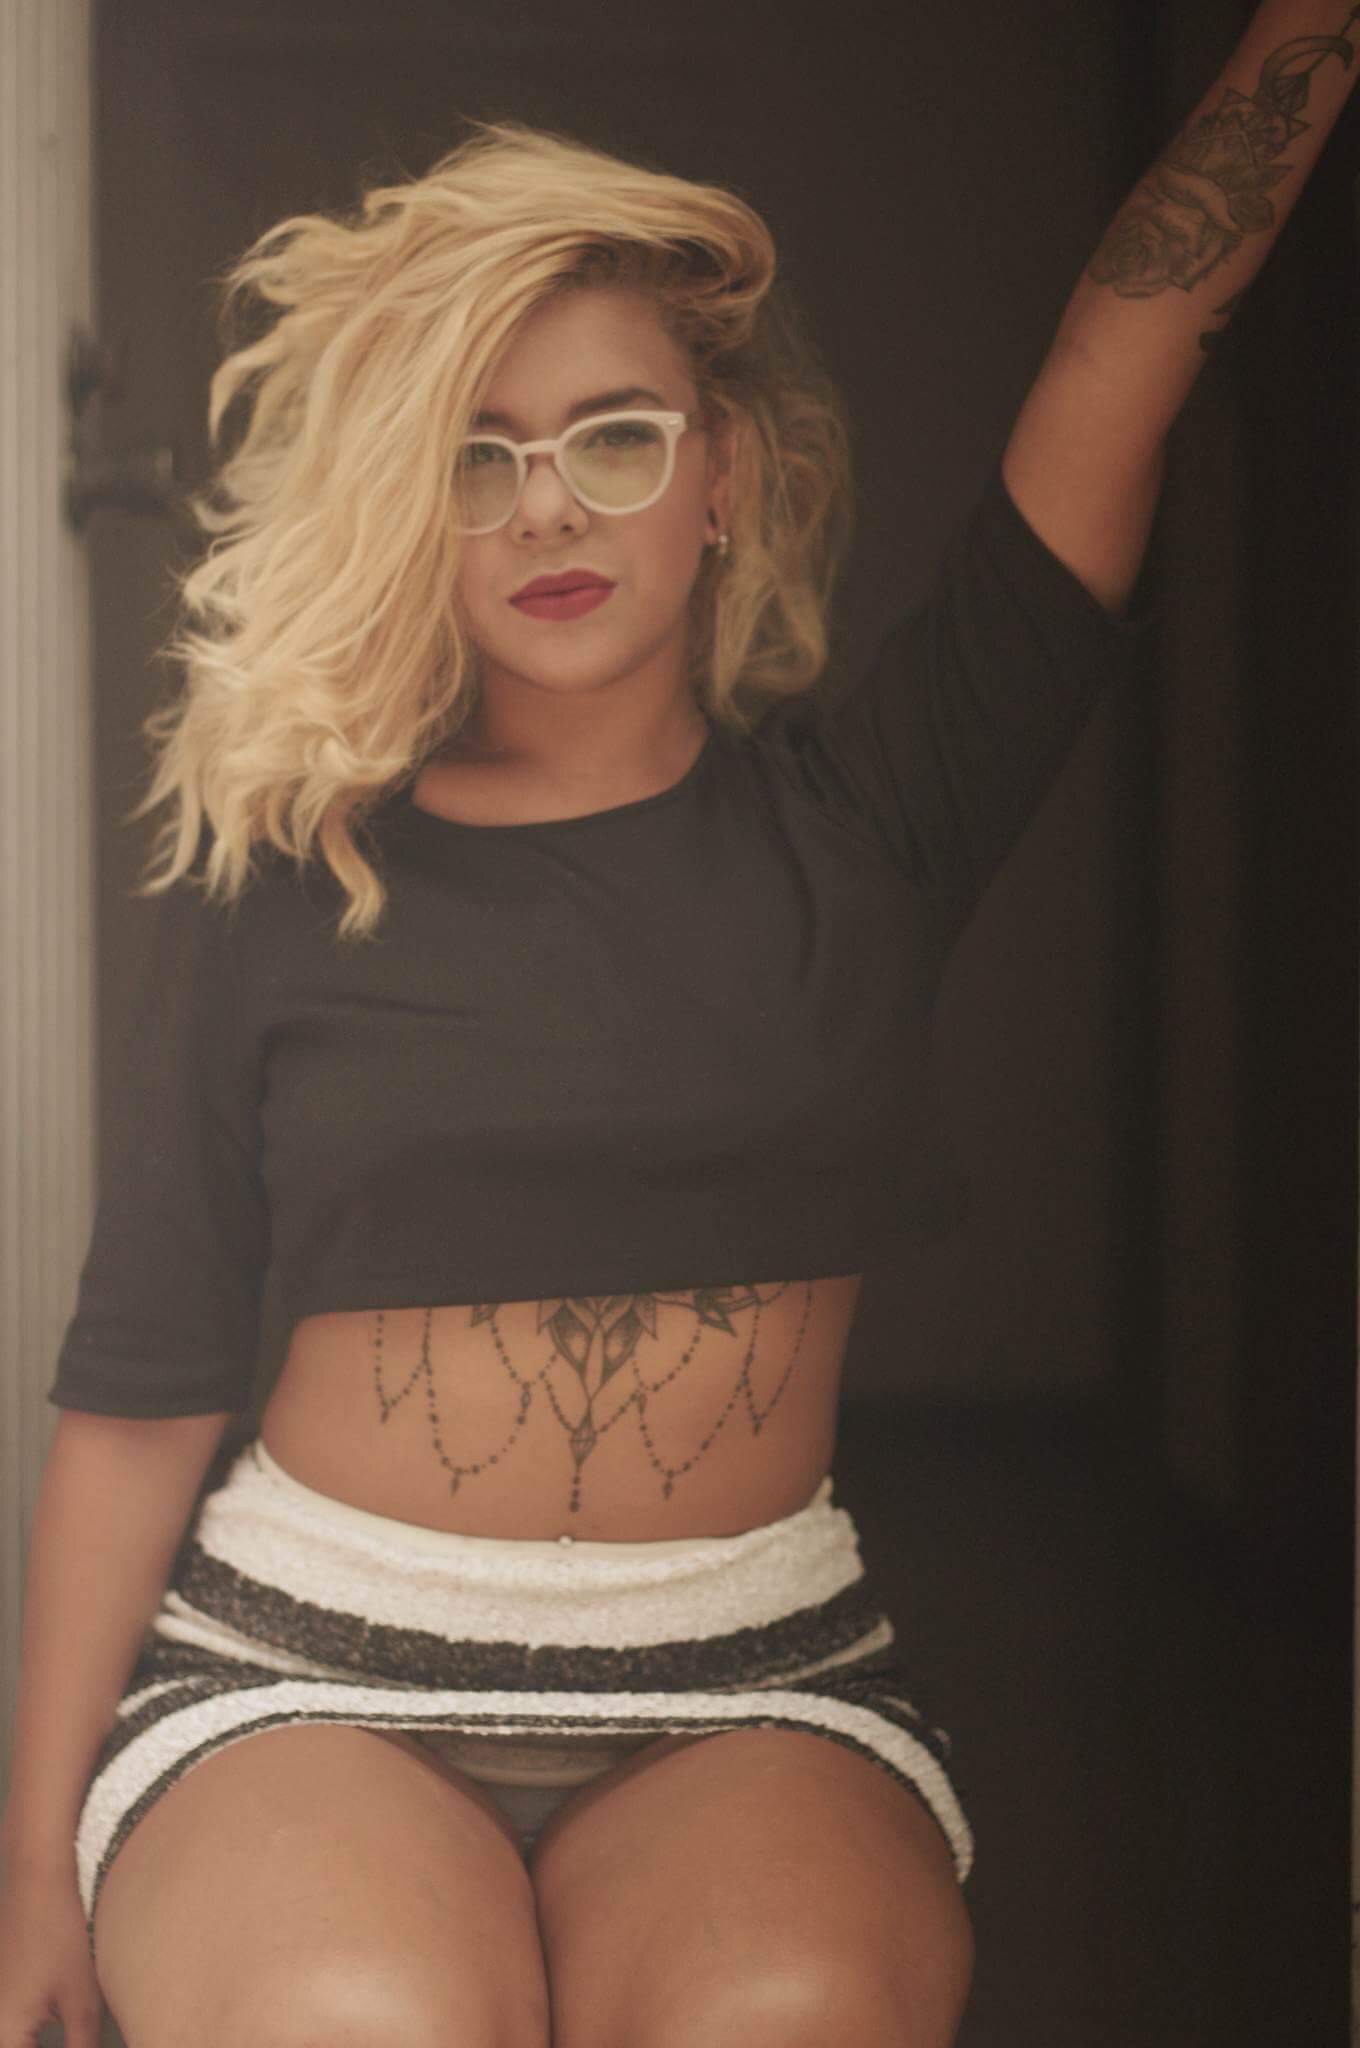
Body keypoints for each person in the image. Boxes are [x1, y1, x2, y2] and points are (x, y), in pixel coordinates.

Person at [2, 6, 1356, 2038]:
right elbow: (140, 1384)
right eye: (479, 458)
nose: (546, 508)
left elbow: (1126, 348)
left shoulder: (872, 822)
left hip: (751, 1679)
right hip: (301, 1670)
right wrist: (30, 1861)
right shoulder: (293, 871)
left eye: (613, 437)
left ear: (719, 475)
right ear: (421, 512)